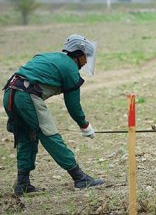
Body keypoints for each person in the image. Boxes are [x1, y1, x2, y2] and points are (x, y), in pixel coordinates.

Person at [2, 34, 104, 196]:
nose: (86, 61)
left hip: (10, 93)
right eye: (86, 57)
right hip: (27, 95)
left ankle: (22, 183)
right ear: (78, 53)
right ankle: (79, 178)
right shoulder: (70, 68)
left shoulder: (52, 57)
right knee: (49, 134)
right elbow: (73, 106)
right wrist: (84, 125)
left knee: (27, 137)